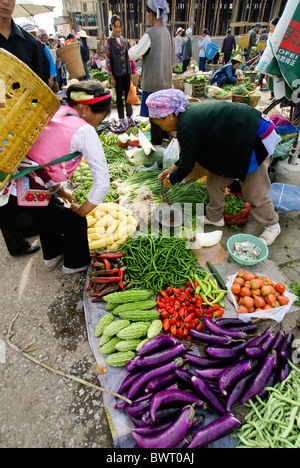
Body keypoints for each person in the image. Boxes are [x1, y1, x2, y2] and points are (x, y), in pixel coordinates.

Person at [146, 89, 282, 246]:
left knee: (254, 191)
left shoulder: (187, 123)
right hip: (235, 141)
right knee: (214, 181)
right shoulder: (186, 118)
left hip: (254, 137)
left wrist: (171, 179)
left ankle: (272, 225)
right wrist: (172, 169)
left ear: (169, 116)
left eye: (159, 123)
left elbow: (188, 164)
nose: (161, 128)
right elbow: (190, 154)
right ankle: (215, 217)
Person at [0, 81, 111, 273]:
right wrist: (82, 210)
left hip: (8, 193)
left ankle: (52, 255)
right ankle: (76, 265)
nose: (96, 124)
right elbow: (102, 184)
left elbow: (38, 162)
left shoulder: (54, 113)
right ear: (85, 108)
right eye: (99, 120)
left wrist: (60, 190)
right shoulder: (84, 130)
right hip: (13, 207)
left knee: (51, 208)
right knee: (74, 221)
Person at [0, 0, 47, 256]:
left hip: (24, 122)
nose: (5, 2)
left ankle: (28, 222)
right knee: (2, 180)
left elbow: (40, 84)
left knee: (27, 174)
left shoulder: (29, 42)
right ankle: (15, 241)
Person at [128, 0, 172, 145]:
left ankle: (157, 148)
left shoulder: (150, 34)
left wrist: (133, 48)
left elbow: (133, 55)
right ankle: (165, 143)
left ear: (153, 14)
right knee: (164, 117)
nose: (147, 16)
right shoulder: (167, 33)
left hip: (153, 85)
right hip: (165, 83)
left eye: (148, 12)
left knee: (155, 120)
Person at [105, 14, 134, 131]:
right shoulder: (109, 41)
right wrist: (111, 76)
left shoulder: (123, 40)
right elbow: (108, 60)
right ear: (111, 26)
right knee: (119, 98)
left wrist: (130, 72)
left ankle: (130, 117)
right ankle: (121, 118)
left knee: (128, 96)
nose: (117, 29)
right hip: (117, 74)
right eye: (115, 26)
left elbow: (127, 57)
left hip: (126, 73)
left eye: (119, 27)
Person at [257, 17, 279, 92]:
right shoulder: (271, 35)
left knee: (272, 77)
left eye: (271, 26)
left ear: (277, 26)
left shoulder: (279, 36)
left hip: (274, 60)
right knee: (266, 74)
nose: (270, 28)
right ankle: (271, 93)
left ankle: (273, 94)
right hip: (268, 59)